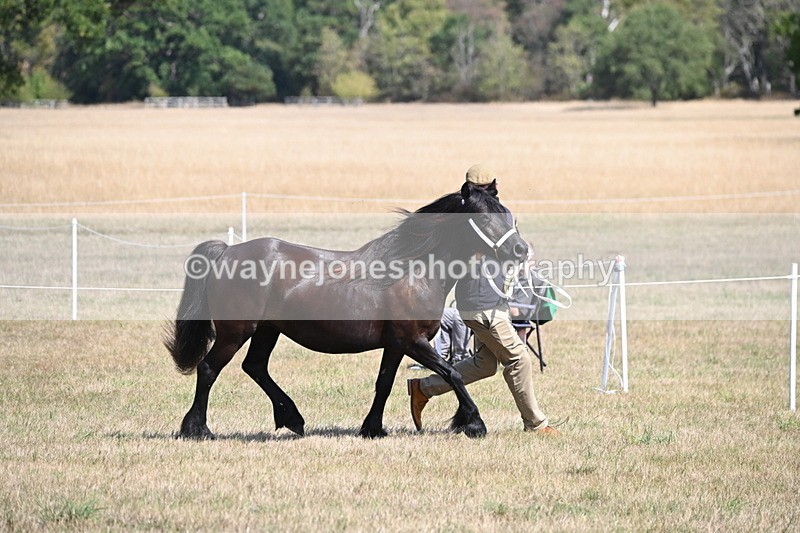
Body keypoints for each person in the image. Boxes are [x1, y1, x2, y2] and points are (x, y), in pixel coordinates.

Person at [407, 164, 559, 435]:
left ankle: (423, 388)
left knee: (485, 365)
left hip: (491, 300)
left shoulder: (503, 215)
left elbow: (515, 248)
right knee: (519, 359)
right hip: (481, 305)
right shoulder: (467, 221)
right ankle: (536, 424)